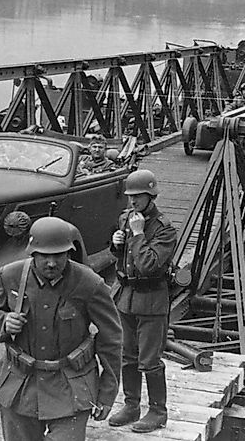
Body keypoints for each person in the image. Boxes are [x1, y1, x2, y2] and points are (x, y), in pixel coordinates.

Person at [0, 217, 123, 441]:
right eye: (44, 256)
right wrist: (4, 322)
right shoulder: (9, 275)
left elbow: (111, 339)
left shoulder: (90, 283)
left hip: (71, 386)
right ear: (33, 254)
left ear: (69, 253)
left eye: (58, 255)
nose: (51, 263)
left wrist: (107, 394)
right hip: (21, 386)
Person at [107, 169, 177, 433]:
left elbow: (148, 265)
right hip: (126, 296)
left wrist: (137, 235)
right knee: (128, 355)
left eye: (138, 197)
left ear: (151, 196)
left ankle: (158, 411)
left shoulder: (164, 229)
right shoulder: (127, 218)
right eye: (130, 197)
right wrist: (116, 244)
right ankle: (131, 405)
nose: (133, 202)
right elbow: (123, 259)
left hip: (151, 299)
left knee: (149, 359)